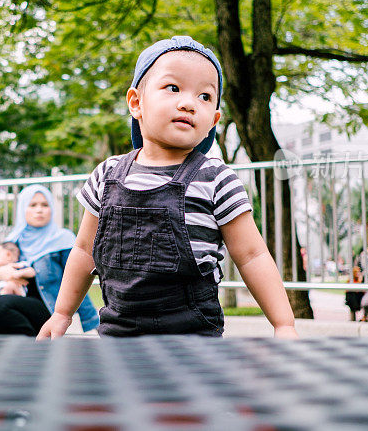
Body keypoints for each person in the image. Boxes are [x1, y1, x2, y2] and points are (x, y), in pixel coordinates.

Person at [36, 36, 298, 339]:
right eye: (173, 88)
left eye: (204, 96)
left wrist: (284, 324)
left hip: (193, 337)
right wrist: (61, 313)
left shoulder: (216, 178)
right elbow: (83, 251)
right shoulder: (106, 175)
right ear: (136, 103)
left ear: (213, 120)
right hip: (118, 334)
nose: (188, 102)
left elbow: (252, 255)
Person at [0, 185, 100, 335]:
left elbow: (77, 279)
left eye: (45, 205)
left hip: (45, 308)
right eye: (33, 205)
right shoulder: (12, 241)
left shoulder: (62, 239)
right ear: (23, 208)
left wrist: (92, 323)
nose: (39, 210)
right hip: (15, 300)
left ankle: (37, 347)